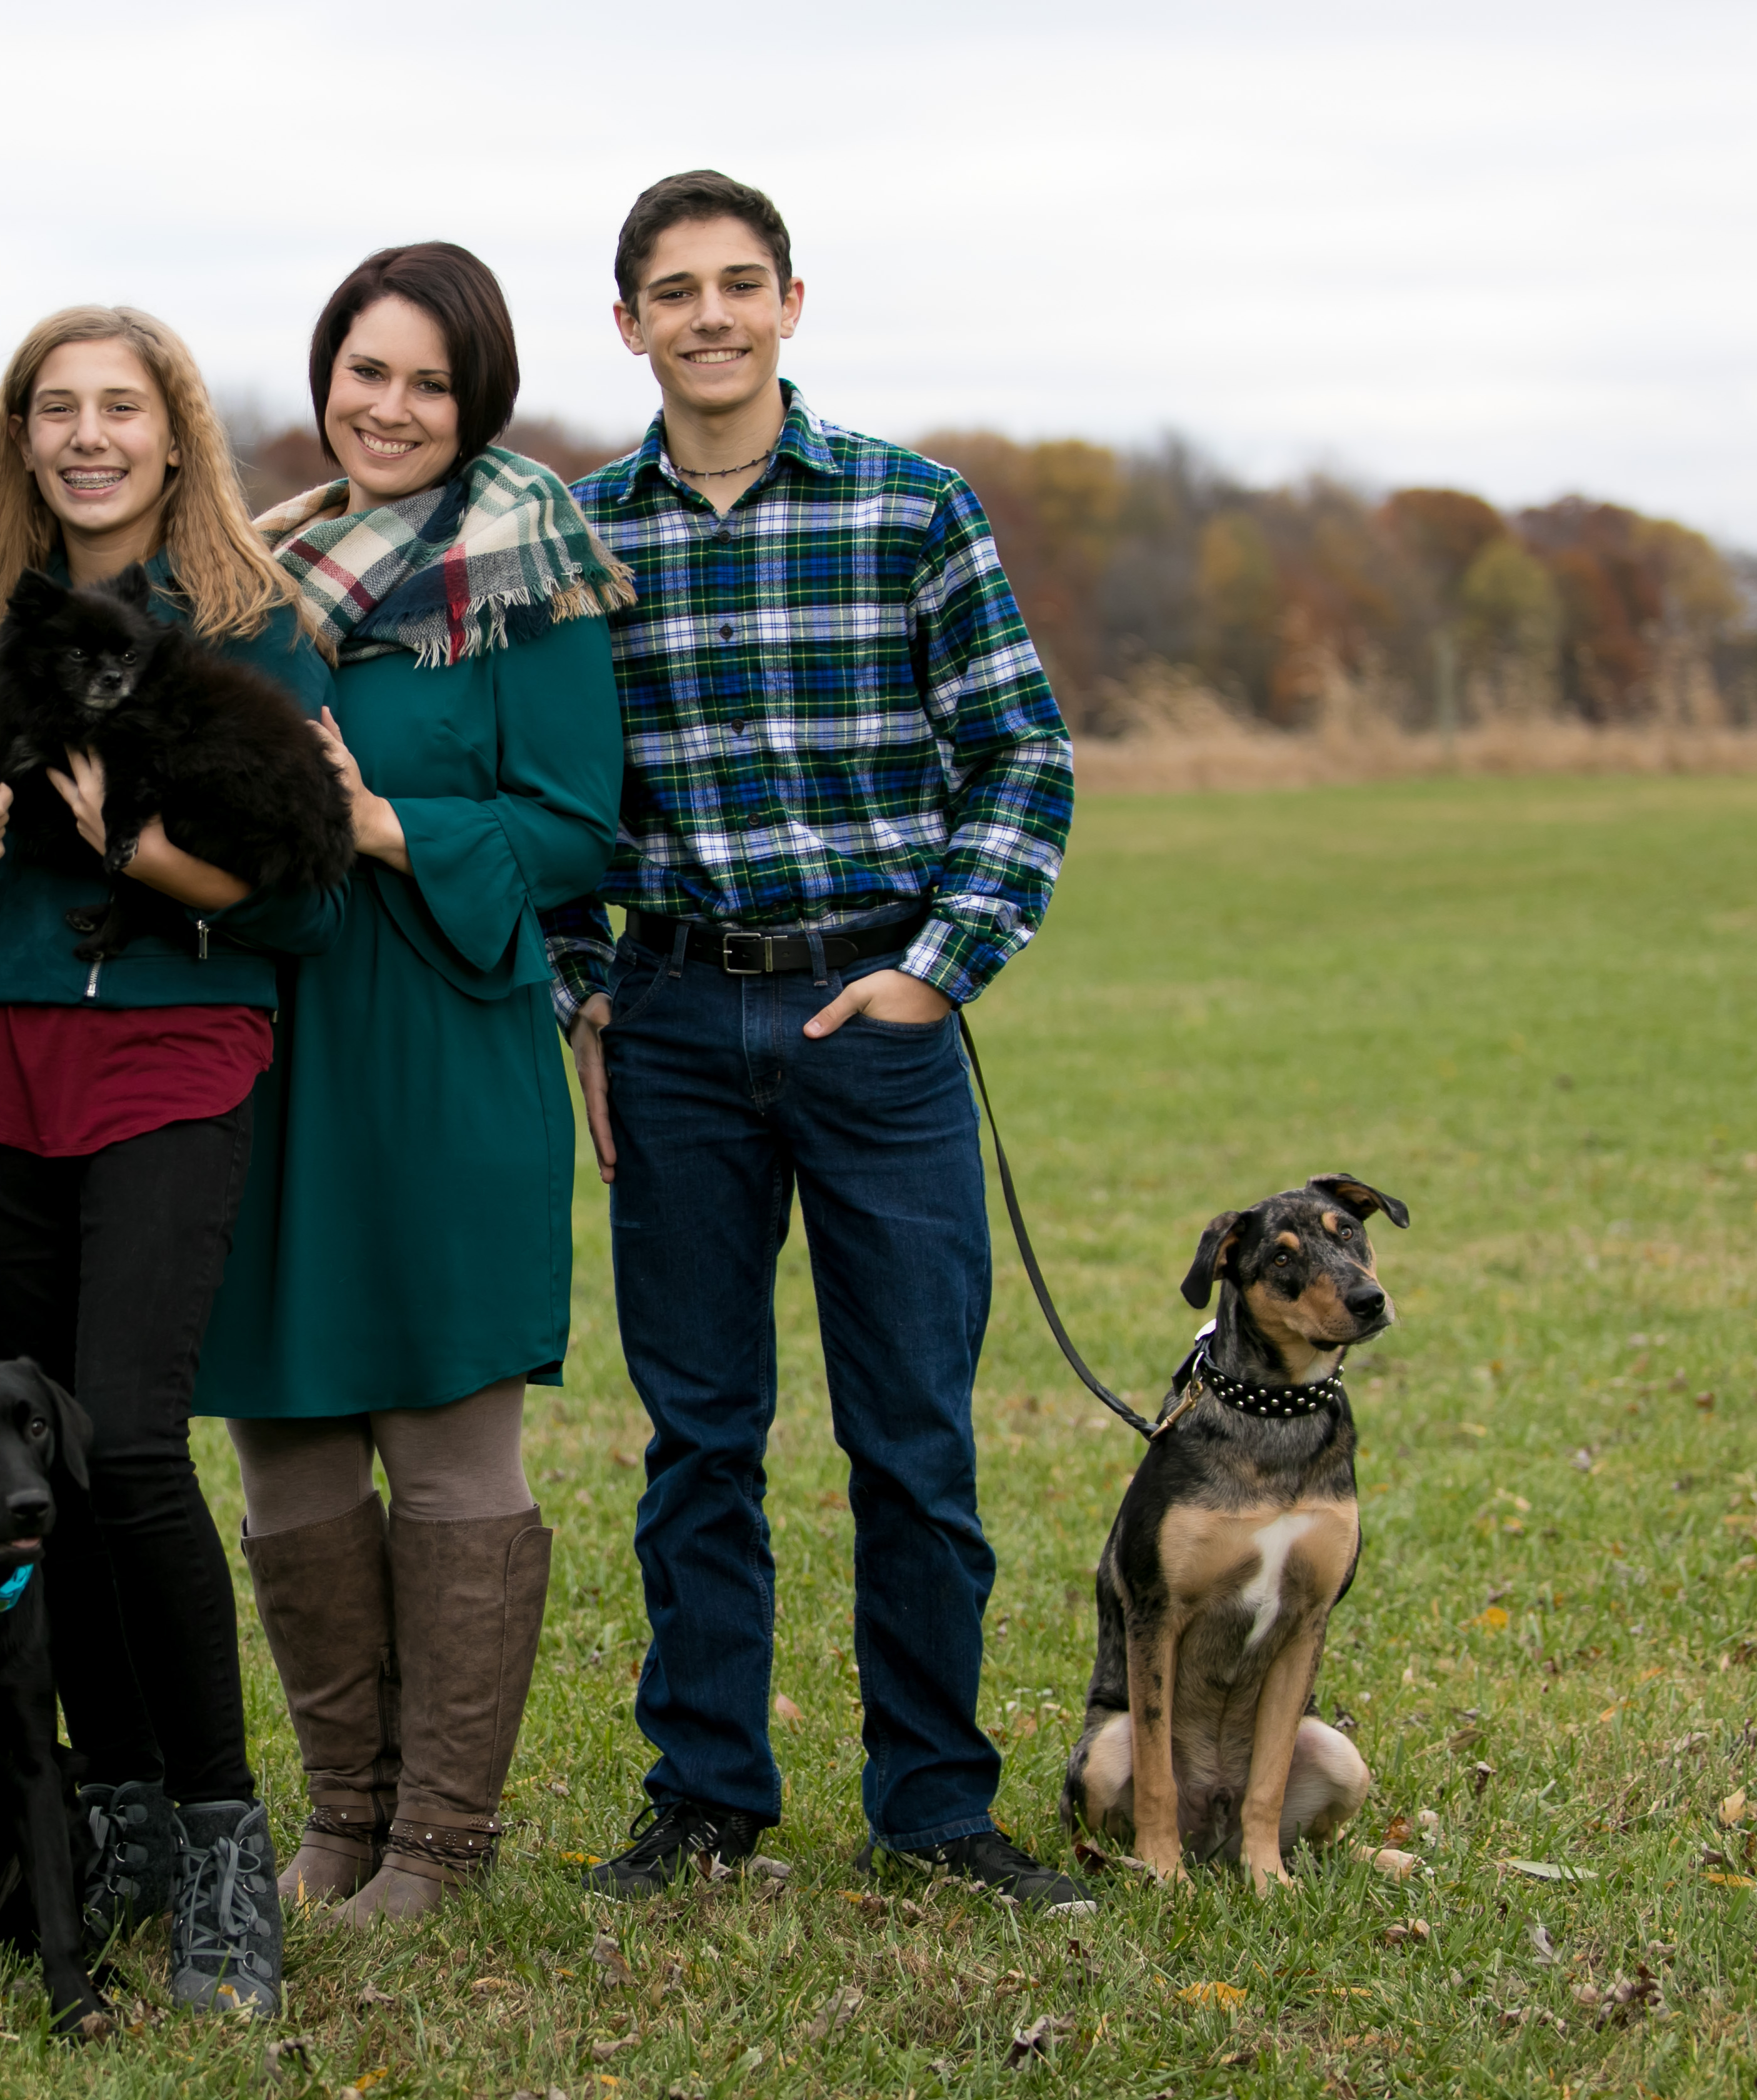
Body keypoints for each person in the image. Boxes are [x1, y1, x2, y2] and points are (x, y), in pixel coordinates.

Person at [540, 171, 1091, 1910]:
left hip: (877, 1011)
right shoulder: (573, 540)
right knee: (698, 1436)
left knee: (912, 1434)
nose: (709, 316)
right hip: (681, 1012)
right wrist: (586, 992)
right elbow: (543, 799)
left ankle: (935, 1808)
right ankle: (707, 1799)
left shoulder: (913, 510)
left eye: (739, 284)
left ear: (791, 303)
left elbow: (1023, 754)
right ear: (627, 324)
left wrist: (939, 968)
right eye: (673, 292)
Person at [0, 305, 338, 2014]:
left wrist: (143, 855)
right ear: (22, 439)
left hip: (172, 1052)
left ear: (176, 436)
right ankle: (114, 1810)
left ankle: (229, 1846)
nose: (90, 436)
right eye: (56, 410)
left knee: (136, 1444)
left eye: (123, 408)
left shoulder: (253, 627)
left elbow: (307, 892)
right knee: (44, 1469)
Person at [201, 242, 628, 1926]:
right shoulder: (256, 567)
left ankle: (442, 1841)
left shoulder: (532, 564)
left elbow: (583, 834)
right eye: (363, 372)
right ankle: (340, 1820)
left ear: (480, 402)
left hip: (448, 1034)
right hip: (273, 1043)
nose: (387, 409)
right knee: (291, 1446)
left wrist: (384, 822)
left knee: (451, 1447)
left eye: (426, 384)